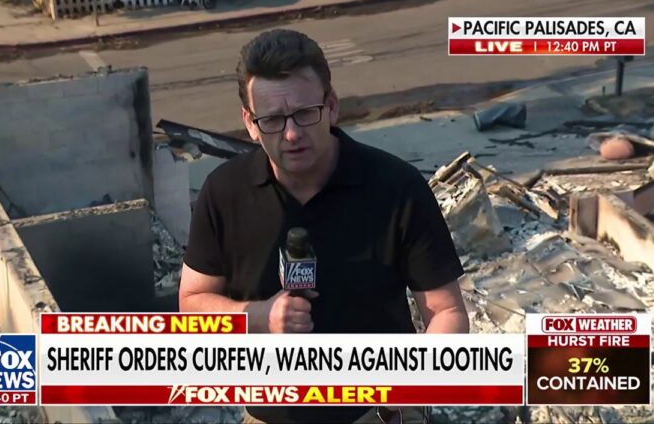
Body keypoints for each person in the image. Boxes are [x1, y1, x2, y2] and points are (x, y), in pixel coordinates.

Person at [179, 29, 469, 424]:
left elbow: (446, 310)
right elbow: (192, 304)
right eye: (273, 120)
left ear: (331, 106)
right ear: (249, 123)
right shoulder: (225, 192)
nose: (292, 133)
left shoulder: (396, 188)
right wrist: (260, 317)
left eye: (304, 113)